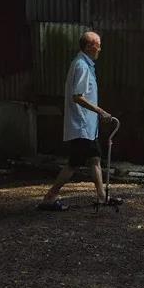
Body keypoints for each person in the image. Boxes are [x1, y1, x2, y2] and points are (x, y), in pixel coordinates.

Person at [38, 31, 120, 211]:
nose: (100, 48)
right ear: (90, 47)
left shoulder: (85, 64)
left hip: (87, 127)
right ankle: (49, 198)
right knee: (74, 164)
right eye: (98, 44)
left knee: (95, 159)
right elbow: (77, 97)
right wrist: (100, 111)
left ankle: (101, 196)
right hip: (82, 125)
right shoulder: (82, 66)